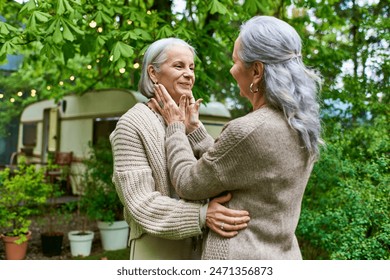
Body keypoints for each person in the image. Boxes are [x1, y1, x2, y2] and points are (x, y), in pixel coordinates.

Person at [152, 16, 323, 259]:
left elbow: (187, 183)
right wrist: (195, 130)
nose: (231, 70)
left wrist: (176, 127)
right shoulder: (301, 125)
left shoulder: (248, 130)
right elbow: (234, 165)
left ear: (256, 71)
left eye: (235, 61)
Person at [109, 38, 250, 260]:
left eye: (191, 67)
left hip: (201, 248)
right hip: (157, 249)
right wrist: (202, 215)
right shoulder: (131, 124)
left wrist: (194, 129)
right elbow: (141, 204)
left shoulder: (189, 120)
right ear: (153, 73)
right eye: (179, 66)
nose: (189, 74)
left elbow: (220, 174)